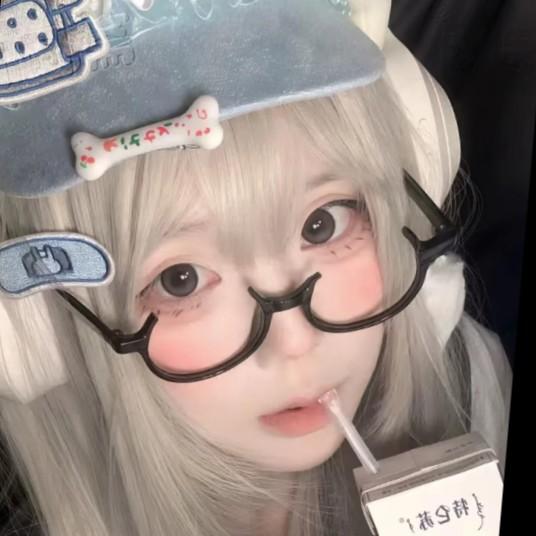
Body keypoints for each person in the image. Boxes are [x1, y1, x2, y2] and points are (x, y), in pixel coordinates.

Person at [0, 1, 511, 534]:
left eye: (323, 225)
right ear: (33, 328)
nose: (295, 341)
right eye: (181, 280)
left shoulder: (475, 394)